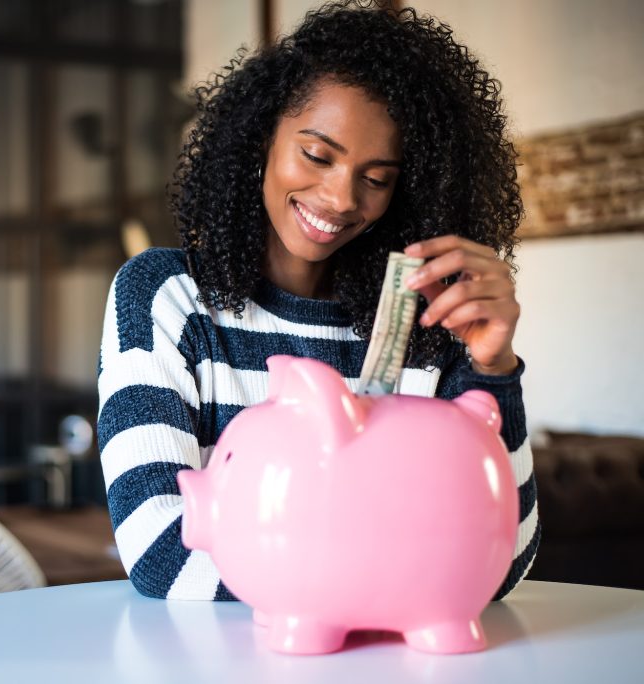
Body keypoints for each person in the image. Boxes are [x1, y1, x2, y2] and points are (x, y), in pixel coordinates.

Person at [97, 0, 539, 601]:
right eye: (317, 154)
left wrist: (493, 371)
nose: (339, 197)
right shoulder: (166, 299)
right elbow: (162, 552)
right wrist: (409, 574)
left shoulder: (427, 321)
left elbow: (498, 564)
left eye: (377, 178)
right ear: (262, 138)